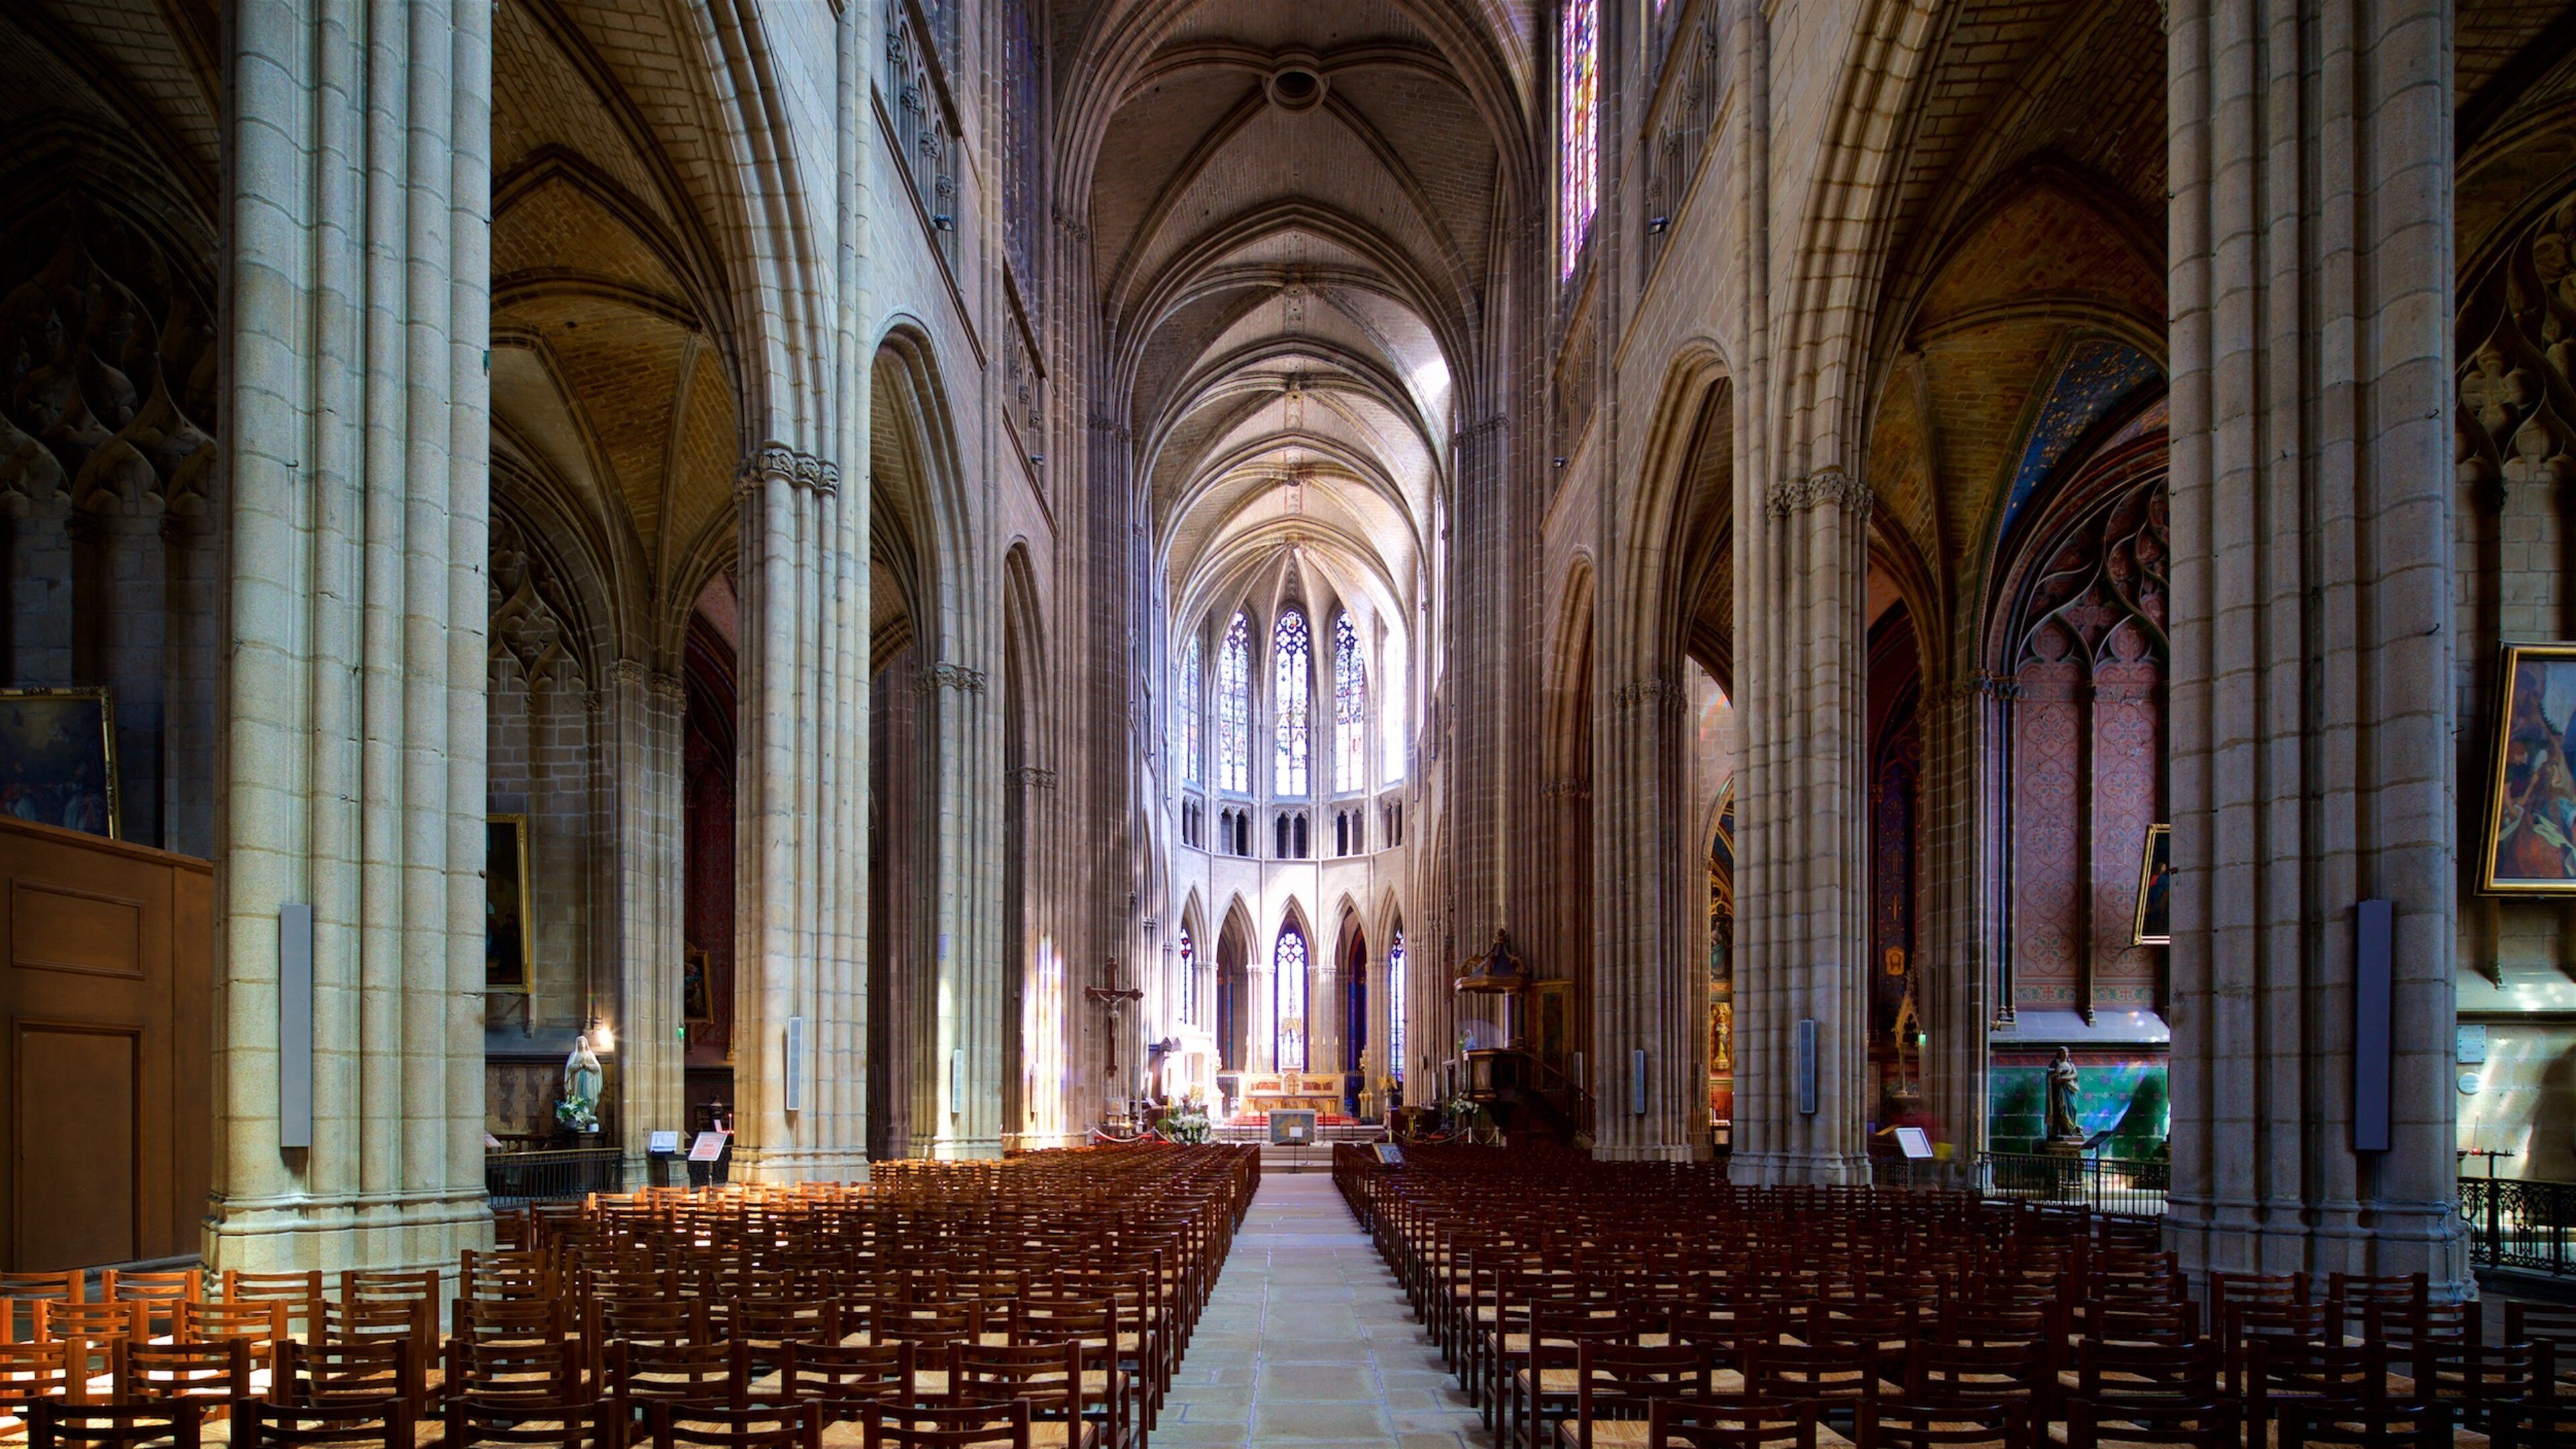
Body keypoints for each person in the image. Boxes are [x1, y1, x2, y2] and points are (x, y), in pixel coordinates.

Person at [2045, 1047, 2084, 1142]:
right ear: (2059, 1054)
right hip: (2060, 1092)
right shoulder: (2055, 1064)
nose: (2065, 1054)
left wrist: (2063, 1079)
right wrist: (2056, 1074)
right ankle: (2062, 1131)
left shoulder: (2071, 1064)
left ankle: (2071, 1129)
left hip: (2070, 1090)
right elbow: (2050, 1076)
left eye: (2066, 1052)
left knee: (2073, 1108)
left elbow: (2075, 1075)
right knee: (2062, 1109)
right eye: (2062, 1053)